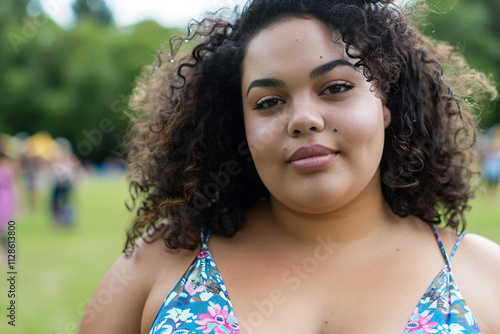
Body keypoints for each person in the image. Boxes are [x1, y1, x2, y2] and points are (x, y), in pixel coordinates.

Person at [78, 0, 500, 333]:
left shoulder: (483, 273)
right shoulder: (160, 261)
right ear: (239, 125)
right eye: (269, 102)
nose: (303, 119)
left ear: (385, 105)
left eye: (335, 87)